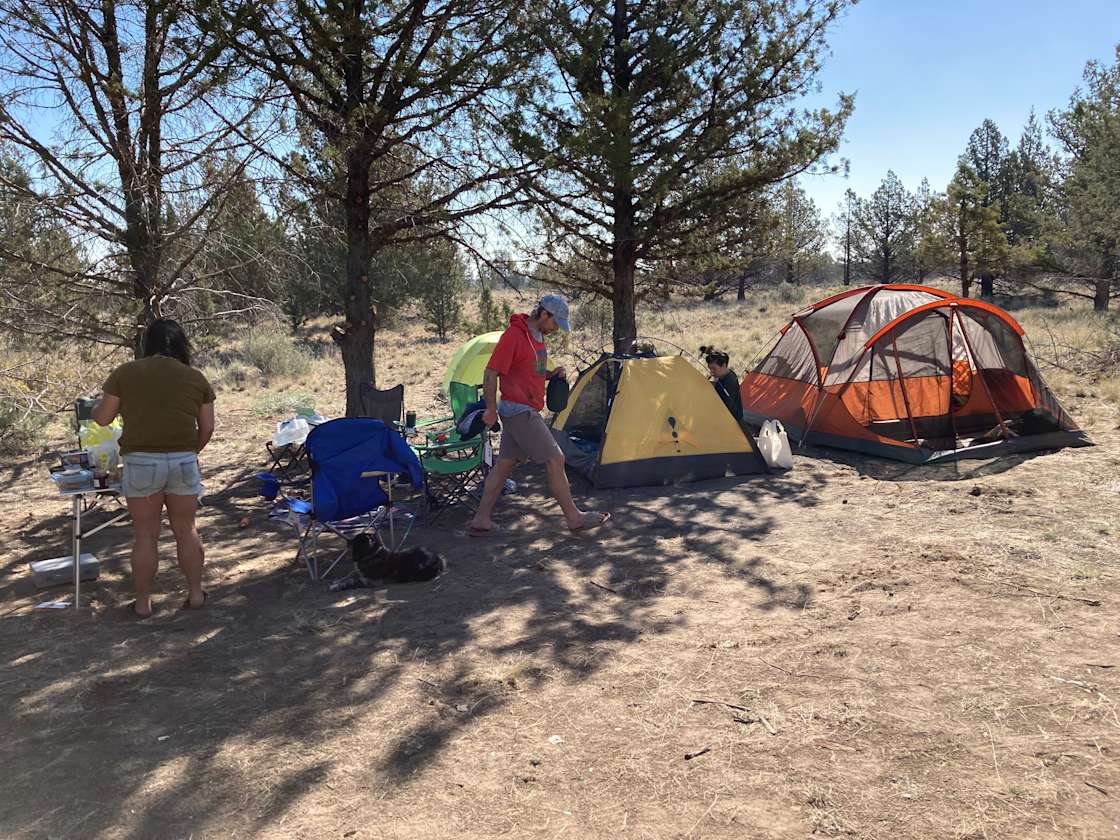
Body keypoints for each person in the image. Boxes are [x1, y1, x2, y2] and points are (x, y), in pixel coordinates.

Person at [92, 319, 215, 617]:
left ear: (148, 343)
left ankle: (144, 602)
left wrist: (96, 407)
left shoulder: (126, 373)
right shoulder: (194, 377)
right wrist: (189, 452)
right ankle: (196, 594)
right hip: (183, 460)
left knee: (146, 535)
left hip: (141, 461)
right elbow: (208, 427)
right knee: (186, 530)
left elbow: (103, 419)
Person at [467, 294, 610, 537]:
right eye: (556, 323)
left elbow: (530, 370)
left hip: (525, 409)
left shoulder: (538, 337)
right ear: (544, 314)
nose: (556, 329)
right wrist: (491, 408)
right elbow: (491, 372)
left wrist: (551, 374)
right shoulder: (513, 336)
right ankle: (574, 518)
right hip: (518, 411)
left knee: (504, 465)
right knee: (555, 459)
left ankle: (481, 519)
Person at [701, 345, 744, 423]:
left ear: (723, 365)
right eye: (710, 369)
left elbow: (725, 407)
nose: (711, 372)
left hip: (732, 421)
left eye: (714, 369)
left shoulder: (729, 383)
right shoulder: (728, 373)